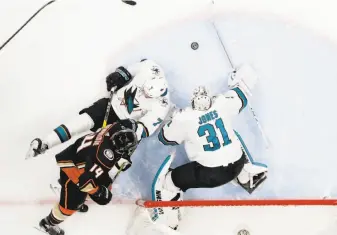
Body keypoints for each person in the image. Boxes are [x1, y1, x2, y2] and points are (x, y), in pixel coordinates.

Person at [153, 64, 268, 230]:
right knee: (233, 136)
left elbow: (165, 138)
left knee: (170, 181)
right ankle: (245, 175)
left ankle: (170, 221)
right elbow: (241, 96)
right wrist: (239, 76)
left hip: (211, 175)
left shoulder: (185, 118)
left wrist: (173, 119)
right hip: (237, 165)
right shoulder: (221, 103)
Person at [26, 59, 172, 160]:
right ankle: (45, 143)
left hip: (123, 127)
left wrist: (131, 129)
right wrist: (117, 76)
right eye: (144, 89)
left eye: (147, 95)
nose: (142, 94)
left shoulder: (162, 105)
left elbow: (145, 129)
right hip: (110, 104)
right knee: (81, 122)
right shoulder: (150, 68)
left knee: (100, 156)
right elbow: (126, 71)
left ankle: (79, 184)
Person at [35, 119, 138, 235]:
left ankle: (67, 187)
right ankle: (47, 223)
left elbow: (129, 122)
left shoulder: (114, 127)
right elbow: (85, 182)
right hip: (73, 169)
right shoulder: (103, 159)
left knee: (104, 182)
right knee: (70, 206)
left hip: (75, 155)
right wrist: (100, 193)